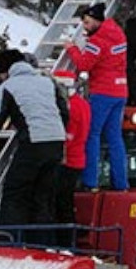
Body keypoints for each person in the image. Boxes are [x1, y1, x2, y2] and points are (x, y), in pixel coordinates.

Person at [0, 49, 69, 247]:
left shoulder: (9, 86)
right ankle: (41, 246)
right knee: (42, 196)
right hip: (56, 142)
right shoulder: (46, 82)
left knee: (15, 192)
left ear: (5, 70)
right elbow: (63, 111)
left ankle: (8, 243)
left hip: (33, 141)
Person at [63, 3, 129, 191]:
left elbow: (83, 65)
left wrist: (72, 48)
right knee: (115, 137)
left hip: (103, 92)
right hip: (121, 91)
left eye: (87, 22)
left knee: (92, 134)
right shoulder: (116, 32)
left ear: (96, 20)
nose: (84, 26)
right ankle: (121, 183)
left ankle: (90, 181)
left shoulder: (97, 41)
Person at [51, 70, 90, 249]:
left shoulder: (69, 107)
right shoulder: (82, 105)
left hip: (67, 159)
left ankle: (62, 241)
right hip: (75, 159)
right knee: (64, 201)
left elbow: (69, 134)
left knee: (57, 201)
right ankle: (66, 240)